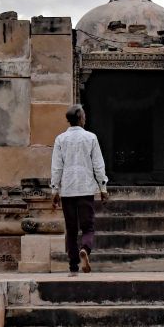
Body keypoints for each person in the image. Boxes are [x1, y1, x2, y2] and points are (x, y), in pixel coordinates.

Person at [50, 104, 109, 275]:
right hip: (85, 188)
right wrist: (103, 187)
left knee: (71, 229)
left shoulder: (60, 139)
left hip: (67, 190)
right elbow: (98, 165)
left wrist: (55, 190)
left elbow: (57, 167)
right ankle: (85, 249)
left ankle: (73, 266)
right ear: (81, 118)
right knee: (88, 227)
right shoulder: (91, 138)